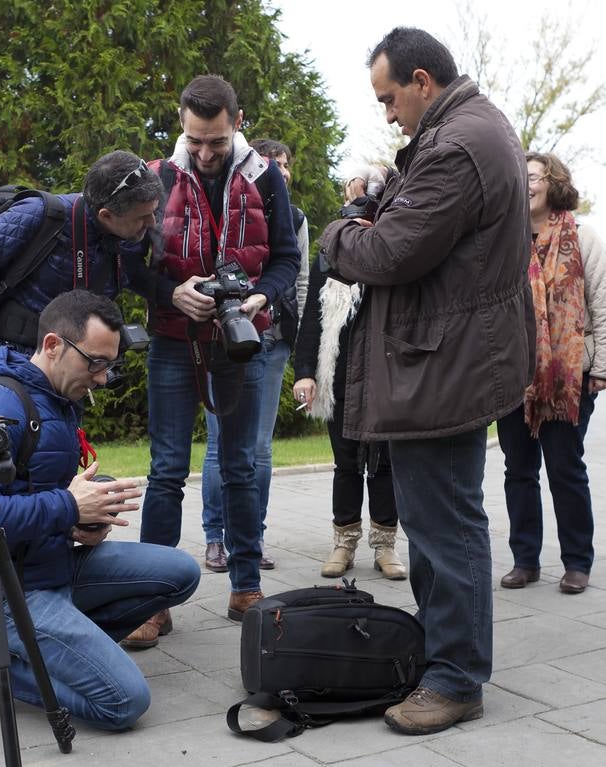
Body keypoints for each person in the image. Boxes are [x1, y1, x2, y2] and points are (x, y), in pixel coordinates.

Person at [319, 28, 532, 733]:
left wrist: (337, 234)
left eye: (388, 99)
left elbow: (388, 251)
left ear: (420, 80)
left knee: (444, 523)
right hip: (446, 357)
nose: (387, 115)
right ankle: (445, 657)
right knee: (441, 517)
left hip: (442, 365)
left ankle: (456, 677)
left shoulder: (456, 145)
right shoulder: (469, 130)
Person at [0, 291, 201, 730]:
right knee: (124, 703)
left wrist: (84, 519)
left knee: (181, 571)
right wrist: (67, 505)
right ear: (52, 345)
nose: (102, 378)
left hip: (53, 564)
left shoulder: (58, 398)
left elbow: (39, 491)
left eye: (109, 365)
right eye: (94, 363)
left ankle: (59, 646)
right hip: (7, 591)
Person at [136, 75, 299, 631]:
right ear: (182, 124)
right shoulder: (157, 178)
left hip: (240, 340)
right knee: (165, 471)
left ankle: (246, 588)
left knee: (240, 466)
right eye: (196, 140)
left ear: (238, 122)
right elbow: (132, 265)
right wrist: (170, 292)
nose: (205, 153)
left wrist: (262, 295)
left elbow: (285, 260)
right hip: (172, 341)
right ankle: (149, 600)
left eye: (217, 142)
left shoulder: (267, 179)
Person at [0, 150, 162, 384]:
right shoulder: (41, 216)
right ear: (106, 215)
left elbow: (134, 275)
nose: (151, 223)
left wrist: (175, 293)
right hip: (13, 363)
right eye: (142, 217)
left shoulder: (126, 238)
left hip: (71, 370)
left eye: (153, 212)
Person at [497, 153, 606, 595]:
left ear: (553, 182)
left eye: (532, 176)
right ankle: (524, 559)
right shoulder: (504, 238)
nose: (524, 183)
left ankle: (577, 562)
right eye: (520, 177)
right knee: (519, 469)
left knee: (565, 468)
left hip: (570, 375)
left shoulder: (582, 237)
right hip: (514, 375)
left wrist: (603, 367)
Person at [199, 137, 311, 573]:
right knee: (218, 446)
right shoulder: (227, 203)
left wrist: (298, 342)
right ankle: (214, 538)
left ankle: (252, 535)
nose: (280, 171)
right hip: (221, 335)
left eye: (286, 164)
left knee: (259, 450)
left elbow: (297, 280)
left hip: (273, 336)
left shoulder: (294, 217)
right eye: (273, 164)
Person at [294, 165, 407, 582]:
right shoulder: (331, 251)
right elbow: (313, 318)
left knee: (384, 463)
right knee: (346, 462)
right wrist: (305, 372)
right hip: (339, 373)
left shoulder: (396, 251)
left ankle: (385, 544)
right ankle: (343, 541)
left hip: (383, 374)